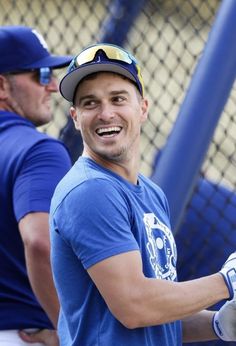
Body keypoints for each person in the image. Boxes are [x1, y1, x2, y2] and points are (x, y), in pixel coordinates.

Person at [49, 43, 236, 345]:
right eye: (90, 103)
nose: (105, 113)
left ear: (143, 108)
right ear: (75, 117)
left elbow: (157, 313)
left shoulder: (151, 193)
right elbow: (134, 306)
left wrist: (219, 324)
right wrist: (225, 281)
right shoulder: (90, 190)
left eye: (118, 99)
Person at [0, 26, 72, 345]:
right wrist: (74, 334)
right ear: (2, 85)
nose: (53, 86)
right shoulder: (38, 150)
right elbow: (41, 244)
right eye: (41, 74)